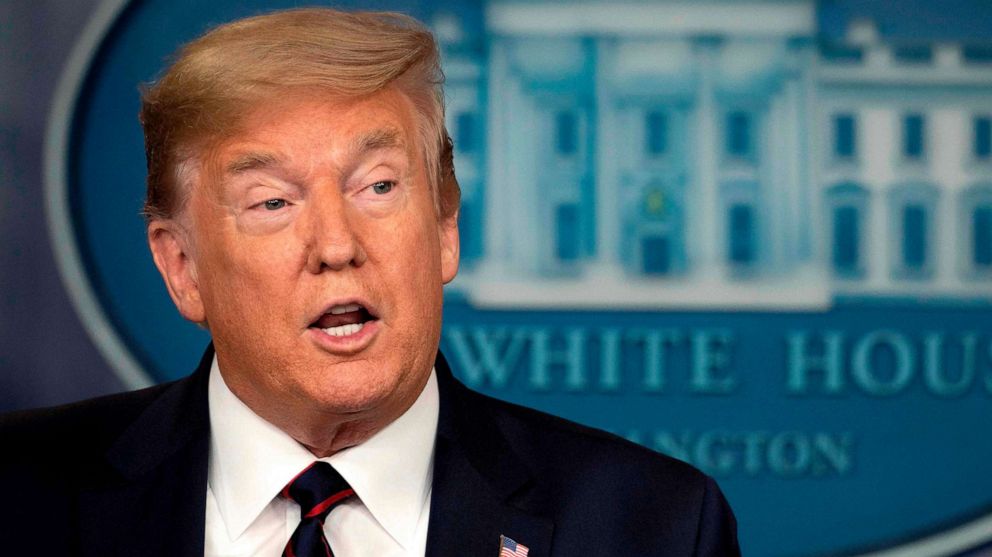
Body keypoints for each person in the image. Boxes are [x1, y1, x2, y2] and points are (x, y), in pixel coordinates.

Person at [0, 8, 739, 556]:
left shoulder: (652, 527)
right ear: (183, 269)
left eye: (378, 186)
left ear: (445, 226)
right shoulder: (22, 499)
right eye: (272, 203)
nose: (336, 245)